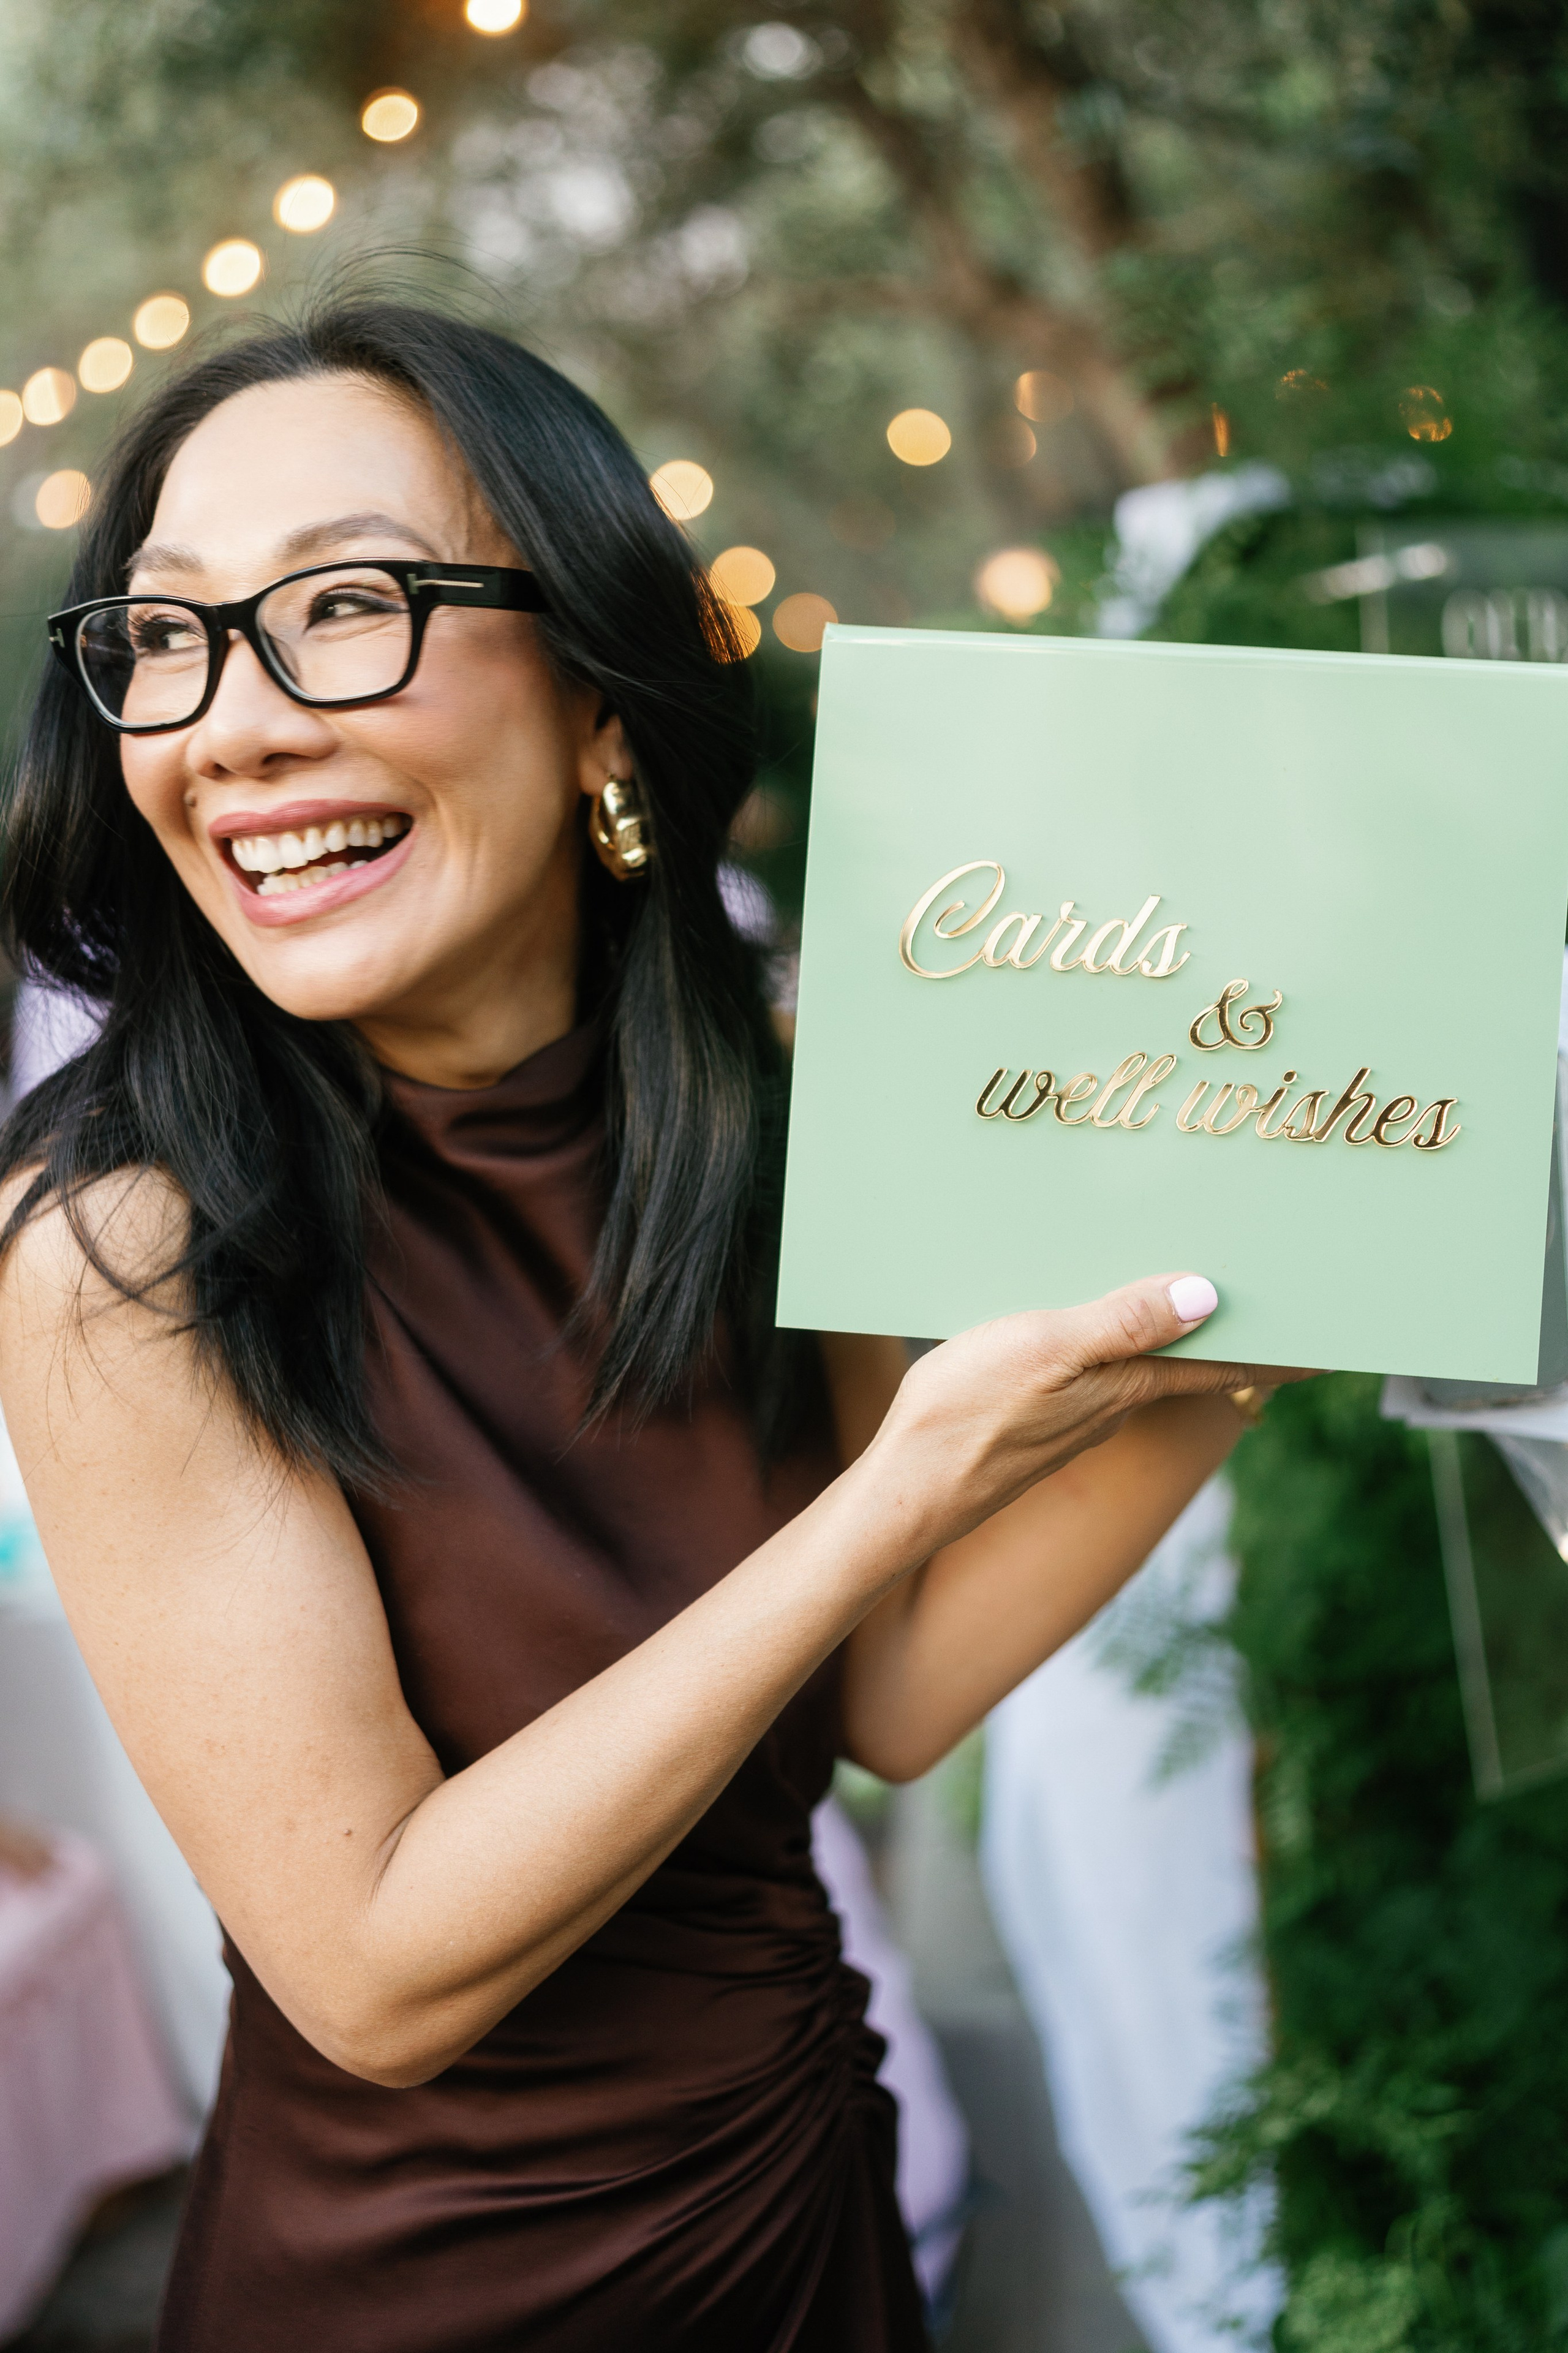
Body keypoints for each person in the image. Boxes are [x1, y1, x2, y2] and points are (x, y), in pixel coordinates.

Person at [0, 300, 1295, 2353]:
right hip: (416, 2294)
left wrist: (1266, 1317)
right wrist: (905, 1488)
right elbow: (378, 1967)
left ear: (603, 695)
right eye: (165, 636)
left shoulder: (784, 1125)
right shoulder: (125, 1246)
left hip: (804, 2209)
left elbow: (870, 1697)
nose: (231, 723)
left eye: (347, 606)